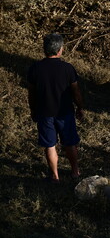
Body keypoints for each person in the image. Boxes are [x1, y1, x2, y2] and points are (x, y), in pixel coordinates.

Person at [27, 33, 83, 183]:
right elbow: (76, 91)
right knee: (70, 143)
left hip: (44, 113)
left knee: (50, 145)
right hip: (65, 112)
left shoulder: (35, 68)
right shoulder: (68, 68)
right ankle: (75, 172)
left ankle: (55, 176)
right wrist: (80, 107)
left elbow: (31, 93)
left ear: (44, 50)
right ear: (60, 50)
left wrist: (33, 110)